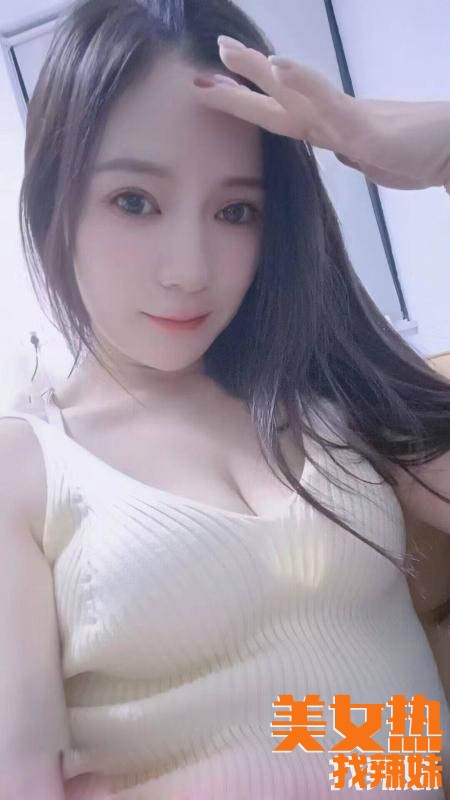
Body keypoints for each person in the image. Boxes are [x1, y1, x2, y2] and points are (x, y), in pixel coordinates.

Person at [1, 0, 449, 798]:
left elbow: (395, 760)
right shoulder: (24, 468)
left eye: (235, 210)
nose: (189, 270)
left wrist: (444, 147)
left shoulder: (333, 388)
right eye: (134, 201)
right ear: (52, 200)